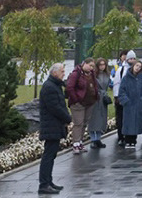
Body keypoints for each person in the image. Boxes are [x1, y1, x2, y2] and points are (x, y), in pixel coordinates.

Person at [38, 62, 71, 195]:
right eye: (62, 71)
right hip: (51, 125)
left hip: (54, 125)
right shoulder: (49, 87)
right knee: (48, 155)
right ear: (54, 73)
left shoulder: (55, 85)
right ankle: (44, 184)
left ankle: (48, 181)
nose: (64, 74)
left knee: (51, 155)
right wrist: (67, 118)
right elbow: (55, 107)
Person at [65, 57, 99, 154]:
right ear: (84, 63)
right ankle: (75, 143)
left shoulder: (91, 74)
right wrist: (76, 99)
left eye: (93, 66)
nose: (91, 68)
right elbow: (69, 87)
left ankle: (80, 142)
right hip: (78, 103)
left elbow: (94, 85)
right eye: (90, 65)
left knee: (84, 122)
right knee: (78, 123)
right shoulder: (76, 74)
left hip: (89, 102)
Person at [118, 59, 142, 147]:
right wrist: (125, 100)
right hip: (129, 104)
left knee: (137, 122)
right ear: (133, 66)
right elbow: (122, 90)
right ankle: (128, 140)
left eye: (140, 67)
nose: (138, 68)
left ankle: (134, 140)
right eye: (136, 66)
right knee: (128, 122)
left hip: (138, 104)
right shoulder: (126, 78)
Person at [87, 58, 111, 149]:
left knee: (102, 118)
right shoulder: (93, 75)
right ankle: (93, 139)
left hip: (103, 98)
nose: (102, 66)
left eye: (103, 64)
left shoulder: (106, 74)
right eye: (100, 65)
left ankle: (98, 138)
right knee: (93, 119)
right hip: (95, 98)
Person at [111, 50, 128, 148]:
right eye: (124, 55)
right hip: (120, 97)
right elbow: (115, 82)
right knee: (120, 117)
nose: (125, 57)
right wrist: (117, 96)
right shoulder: (118, 68)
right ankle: (121, 136)